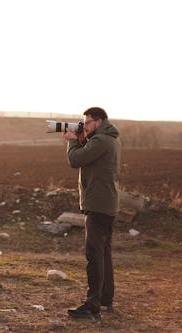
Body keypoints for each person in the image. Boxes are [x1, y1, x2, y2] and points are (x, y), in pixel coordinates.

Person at [62, 106, 120, 320]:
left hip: (98, 205)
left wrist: (72, 140)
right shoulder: (109, 138)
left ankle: (92, 305)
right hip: (107, 204)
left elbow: (75, 160)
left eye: (87, 123)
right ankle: (105, 300)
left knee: (94, 255)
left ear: (98, 121)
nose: (84, 126)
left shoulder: (102, 140)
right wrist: (81, 139)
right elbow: (90, 156)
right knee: (103, 254)